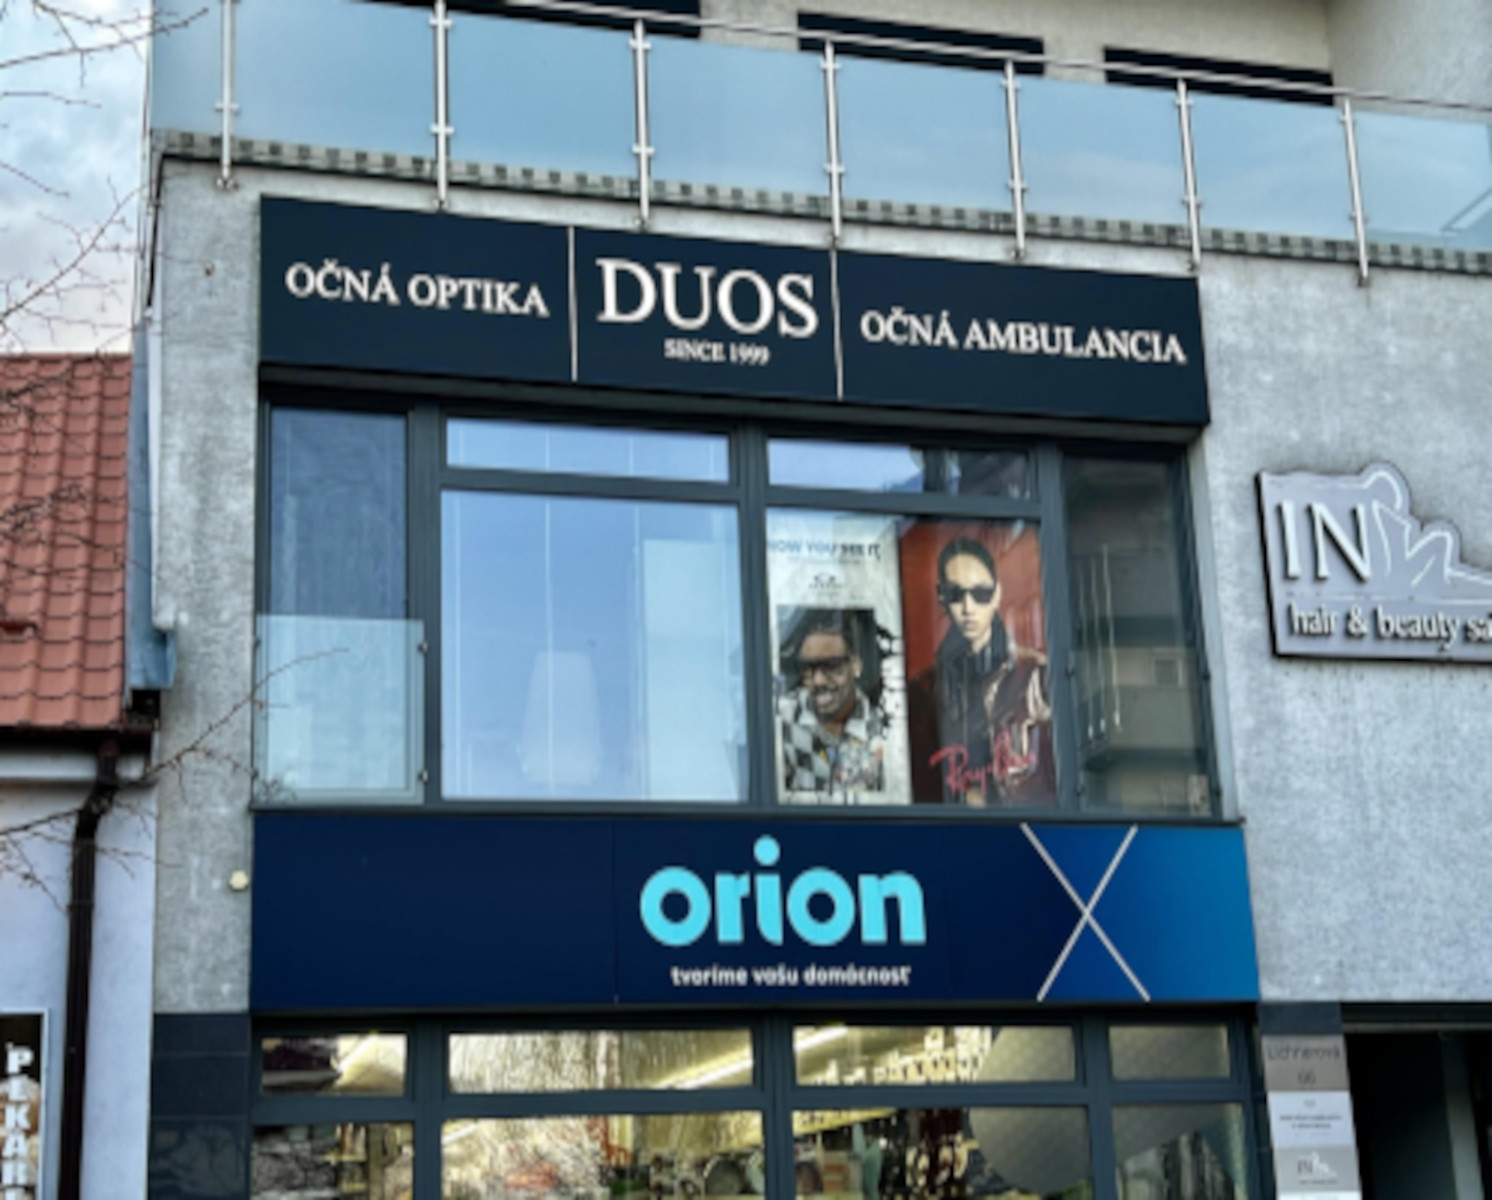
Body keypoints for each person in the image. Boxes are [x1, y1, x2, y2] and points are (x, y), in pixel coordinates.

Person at [909, 536, 1054, 806]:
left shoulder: (1036, 674)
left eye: (981, 594)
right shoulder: (926, 691)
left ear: (997, 594)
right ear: (941, 597)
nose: (968, 608)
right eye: (956, 594)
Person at [778, 609, 886, 802]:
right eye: (808, 668)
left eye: (831, 666)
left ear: (856, 666)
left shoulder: (882, 731)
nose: (817, 681)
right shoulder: (782, 719)